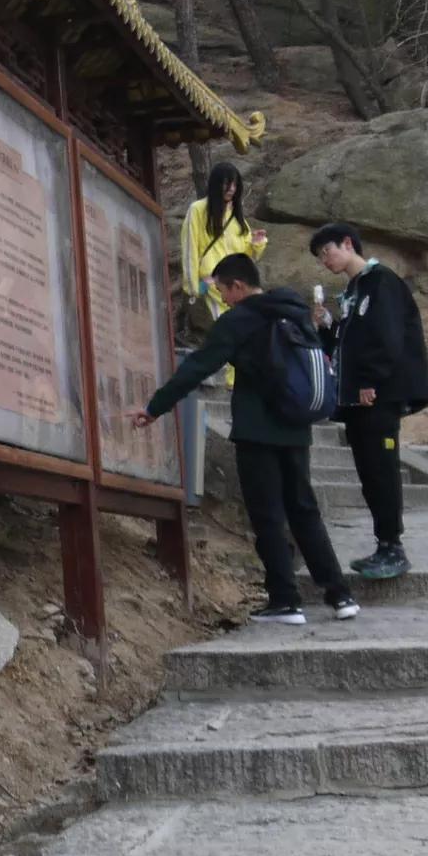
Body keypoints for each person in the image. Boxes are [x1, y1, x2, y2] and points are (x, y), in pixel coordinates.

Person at [134, 254, 359, 624]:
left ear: (237, 286)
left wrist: (155, 407)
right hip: (296, 427)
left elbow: (198, 366)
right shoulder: (294, 312)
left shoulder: (238, 320)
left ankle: (285, 600)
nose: (223, 299)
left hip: (257, 431)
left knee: (267, 515)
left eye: (223, 291)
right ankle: (340, 596)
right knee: (304, 511)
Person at [310, 223, 428, 580]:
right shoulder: (354, 290)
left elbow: (387, 337)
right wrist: (328, 325)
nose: (326, 261)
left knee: (382, 468)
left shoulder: (382, 282)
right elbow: (350, 341)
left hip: (379, 395)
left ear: (348, 244)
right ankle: (383, 544)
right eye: (321, 258)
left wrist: (370, 379)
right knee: (368, 471)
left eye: (327, 252)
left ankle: (393, 546)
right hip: (356, 399)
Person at [179, 162, 270, 324]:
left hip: (238, 287)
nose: (231, 189)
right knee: (227, 327)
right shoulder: (198, 210)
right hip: (215, 287)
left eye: (235, 184)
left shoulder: (236, 217)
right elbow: (189, 250)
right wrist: (195, 288)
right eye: (227, 183)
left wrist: (256, 244)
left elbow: (245, 258)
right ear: (216, 184)